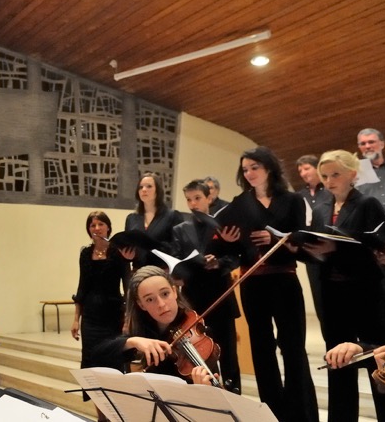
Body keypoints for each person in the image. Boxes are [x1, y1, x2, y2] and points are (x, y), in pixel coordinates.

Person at [226, 146, 318, 422]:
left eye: (254, 167)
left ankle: (301, 412)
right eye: (245, 170)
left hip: (284, 278)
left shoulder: (291, 200)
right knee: (261, 347)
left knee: (292, 346)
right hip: (253, 282)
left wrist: (280, 240)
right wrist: (229, 243)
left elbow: (301, 239)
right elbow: (236, 247)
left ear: (268, 168)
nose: (249, 173)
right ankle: (272, 412)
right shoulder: (239, 202)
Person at [308, 150, 385, 421]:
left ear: (352, 175)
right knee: (337, 361)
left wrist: (337, 246)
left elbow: (377, 246)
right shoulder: (321, 208)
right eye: (325, 176)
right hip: (332, 294)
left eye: (335, 174)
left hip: (365, 292)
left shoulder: (367, 204)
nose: (329, 181)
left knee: (378, 361)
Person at [92, 266, 221, 387]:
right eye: (150, 299)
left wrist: (204, 388)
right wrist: (132, 341)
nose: (161, 304)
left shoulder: (197, 329)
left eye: (165, 294)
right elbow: (97, 354)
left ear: (174, 292)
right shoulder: (144, 331)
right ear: (141, 305)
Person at [172, 180, 241, 393]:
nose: (193, 204)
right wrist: (192, 263)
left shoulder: (220, 225)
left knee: (228, 352)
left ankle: (233, 394)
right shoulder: (180, 229)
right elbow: (176, 261)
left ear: (208, 198)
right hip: (193, 297)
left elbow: (236, 256)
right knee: (196, 353)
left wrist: (218, 263)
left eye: (197, 198)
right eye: (189, 199)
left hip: (220, 294)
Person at [72, 211, 131, 422]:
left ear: (108, 227)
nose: (96, 228)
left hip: (113, 318)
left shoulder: (119, 253)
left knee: (113, 367)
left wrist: (127, 318)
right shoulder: (85, 253)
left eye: (100, 224)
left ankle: (115, 416)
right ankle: (101, 418)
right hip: (90, 319)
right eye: (92, 225)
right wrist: (76, 318)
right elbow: (82, 287)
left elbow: (128, 286)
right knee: (92, 368)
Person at [356, 128, 385, 339]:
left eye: (371, 142)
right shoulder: (356, 174)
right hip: (377, 246)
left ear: (382, 144)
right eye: (363, 143)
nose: (367, 146)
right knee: (380, 306)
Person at [295, 153, 333, 335]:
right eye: (300, 170)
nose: (303, 173)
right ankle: (328, 337)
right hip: (311, 254)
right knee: (319, 299)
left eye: (306, 168)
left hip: (332, 252)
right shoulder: (299, 195)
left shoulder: (328, 190)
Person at [124, 172, 183, 270]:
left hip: (162, 271)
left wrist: (154, 245)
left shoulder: (172, 216)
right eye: (141, 187)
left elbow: (178, 248)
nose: (144, 190)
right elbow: (128, 246)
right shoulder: (132, 218)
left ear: (158, 191)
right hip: (138, 271)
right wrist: (127, 256)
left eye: (149, 186)